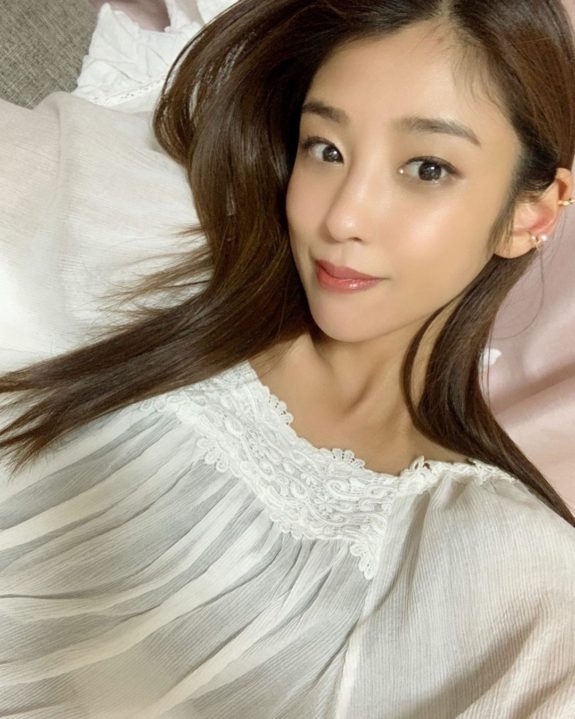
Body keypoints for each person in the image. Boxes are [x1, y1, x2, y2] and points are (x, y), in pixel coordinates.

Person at [0, 0, 574, 716]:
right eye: (325, 149)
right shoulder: (142, 266)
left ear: (531, 212)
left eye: (426, 167)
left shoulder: (510, 572)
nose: (343, 217)